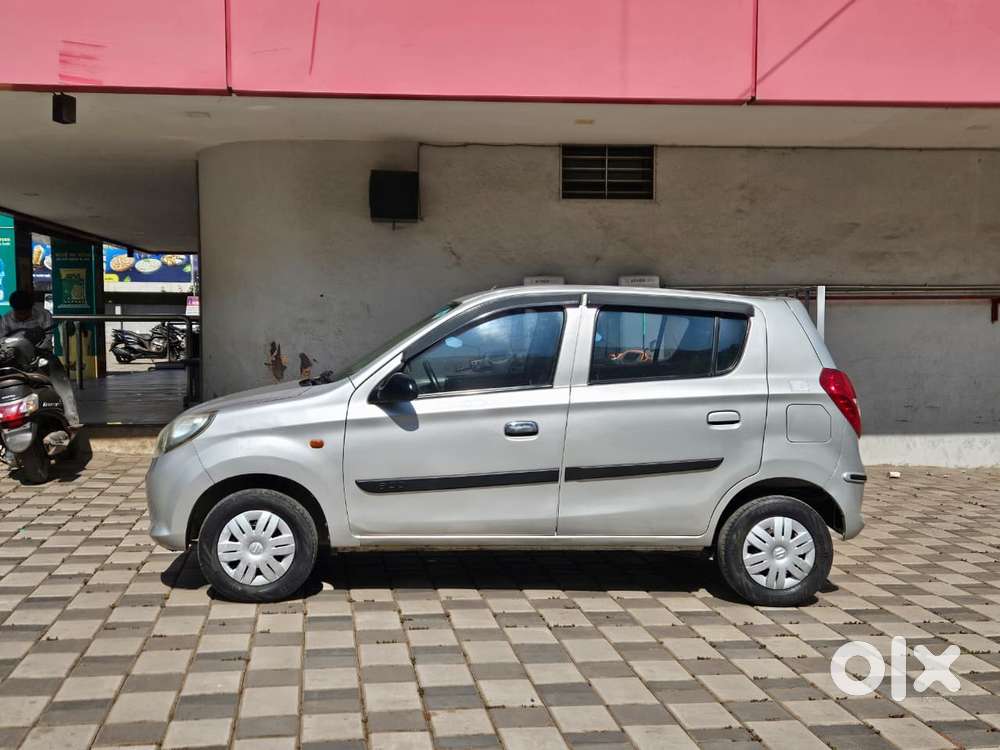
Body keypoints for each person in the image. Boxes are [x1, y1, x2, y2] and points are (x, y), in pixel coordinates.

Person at [0, 290, 80, 427]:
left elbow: (48, 341)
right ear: (13, 309)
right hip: (13, 360)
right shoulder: (5, 320)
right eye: (19, 313)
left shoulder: (44, 316)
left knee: (61, 381)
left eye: (25, 312)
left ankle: (71, 420)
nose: (22, 316)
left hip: (41, 356)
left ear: (31, 308)